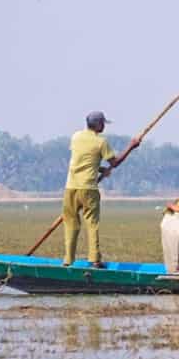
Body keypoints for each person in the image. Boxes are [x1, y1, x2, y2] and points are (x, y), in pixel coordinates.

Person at [63, 111, 139, 267]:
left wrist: (101, 170)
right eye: (103, 123)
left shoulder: (76, 136)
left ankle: (68, 260)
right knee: (91, 224)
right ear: (98, 124)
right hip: (88, 188)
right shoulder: (101, 142)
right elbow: (115, 162)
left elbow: (83, 161)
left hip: (70, 187)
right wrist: (131, 147)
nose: (104, 126)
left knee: (70, 224)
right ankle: (94, 260)